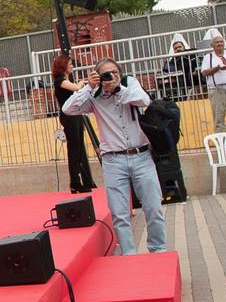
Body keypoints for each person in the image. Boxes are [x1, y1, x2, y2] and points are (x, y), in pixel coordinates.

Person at [60, 60, 166, 255]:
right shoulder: (94, 95)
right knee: (120, 213)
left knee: (153, 207)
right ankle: (129, 254)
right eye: (105, 74)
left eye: (114, 72)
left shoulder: (130, 83)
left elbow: (144, 100)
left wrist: (119, 87)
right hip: (113, 160)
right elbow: (68, 109)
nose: (110, 77)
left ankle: (158, 250)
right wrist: (88, 88)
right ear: (97, 76)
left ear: (120, 73)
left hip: (141, 155)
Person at [51, 53, 96, 192]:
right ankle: (75, 183)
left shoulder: (66, 80)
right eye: (70, 64)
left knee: (80, 148)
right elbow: (77, 88)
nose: (72, 66)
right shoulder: (59, 81)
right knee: (74, 149)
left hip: (76, 114)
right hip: (68, 116)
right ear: (63, 66)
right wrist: (84, 82)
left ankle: (86, 181)